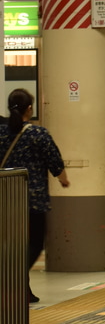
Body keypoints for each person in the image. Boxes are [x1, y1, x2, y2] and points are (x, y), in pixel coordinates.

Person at [0, 89, 69, 303]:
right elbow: (55, 162)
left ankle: (23, 291)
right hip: (32, 202)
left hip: (4, 200)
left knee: (10, 244)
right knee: (34, 243)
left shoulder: (1, 133)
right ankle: (14, 280)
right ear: (30, 108)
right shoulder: (38, 134)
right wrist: (63, 179)